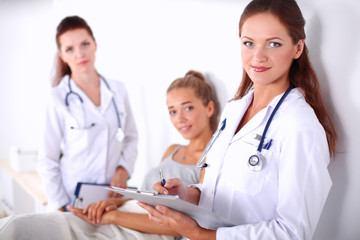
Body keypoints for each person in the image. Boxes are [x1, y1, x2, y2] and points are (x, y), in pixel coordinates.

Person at [138, 0, 337, 239]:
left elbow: (294, 231)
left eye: (274, 44)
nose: (258, 56)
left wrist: (200, 234)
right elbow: (219, 191)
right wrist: (185, 194)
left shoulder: (300, 126)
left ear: (297, 48)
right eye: (249, 43)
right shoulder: (233, 111)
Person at [0, 70, 219, 240]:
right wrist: (116, 203)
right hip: (123, 214)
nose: (179, 118)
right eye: (172, 111)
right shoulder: (173, 150)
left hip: (144, 232)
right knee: (22, 227)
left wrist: (112, 216)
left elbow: (183, 225)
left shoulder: (211, 160)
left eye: (188, 108)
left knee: (31, 231)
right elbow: (146, 197)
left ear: (209, 108)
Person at [37, 15, 138, 211]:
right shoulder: (58, 98)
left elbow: (131, 138)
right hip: (71, 199)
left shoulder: (118, 90)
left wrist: (123, 170)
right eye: (69, 49)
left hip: (111, 197)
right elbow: (47, 160)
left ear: (95, 45)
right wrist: (61, 206)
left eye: (85, 44)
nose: (80, 54)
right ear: (62, 56)